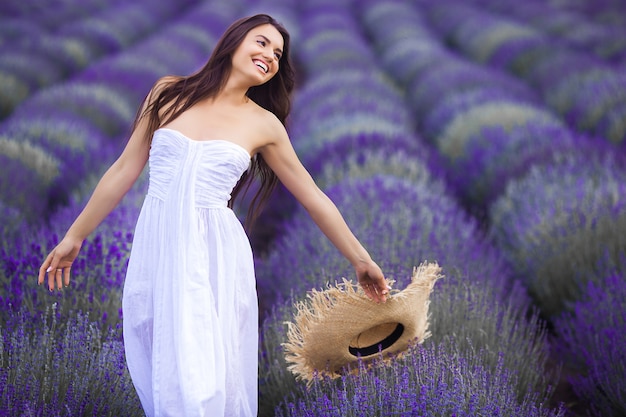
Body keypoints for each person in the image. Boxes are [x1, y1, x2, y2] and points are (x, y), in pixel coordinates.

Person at [38, 14, 389, 417]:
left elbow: (312, 197)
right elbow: (123, 169)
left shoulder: (264, 124)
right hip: (159, 247)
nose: (269, 56)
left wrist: (361, 259)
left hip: (213, 255)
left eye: (277, 54)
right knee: (161, 363)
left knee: (200, 378)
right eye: (261, 43)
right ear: (234, 41)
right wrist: (74, 237)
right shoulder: (167, 93)